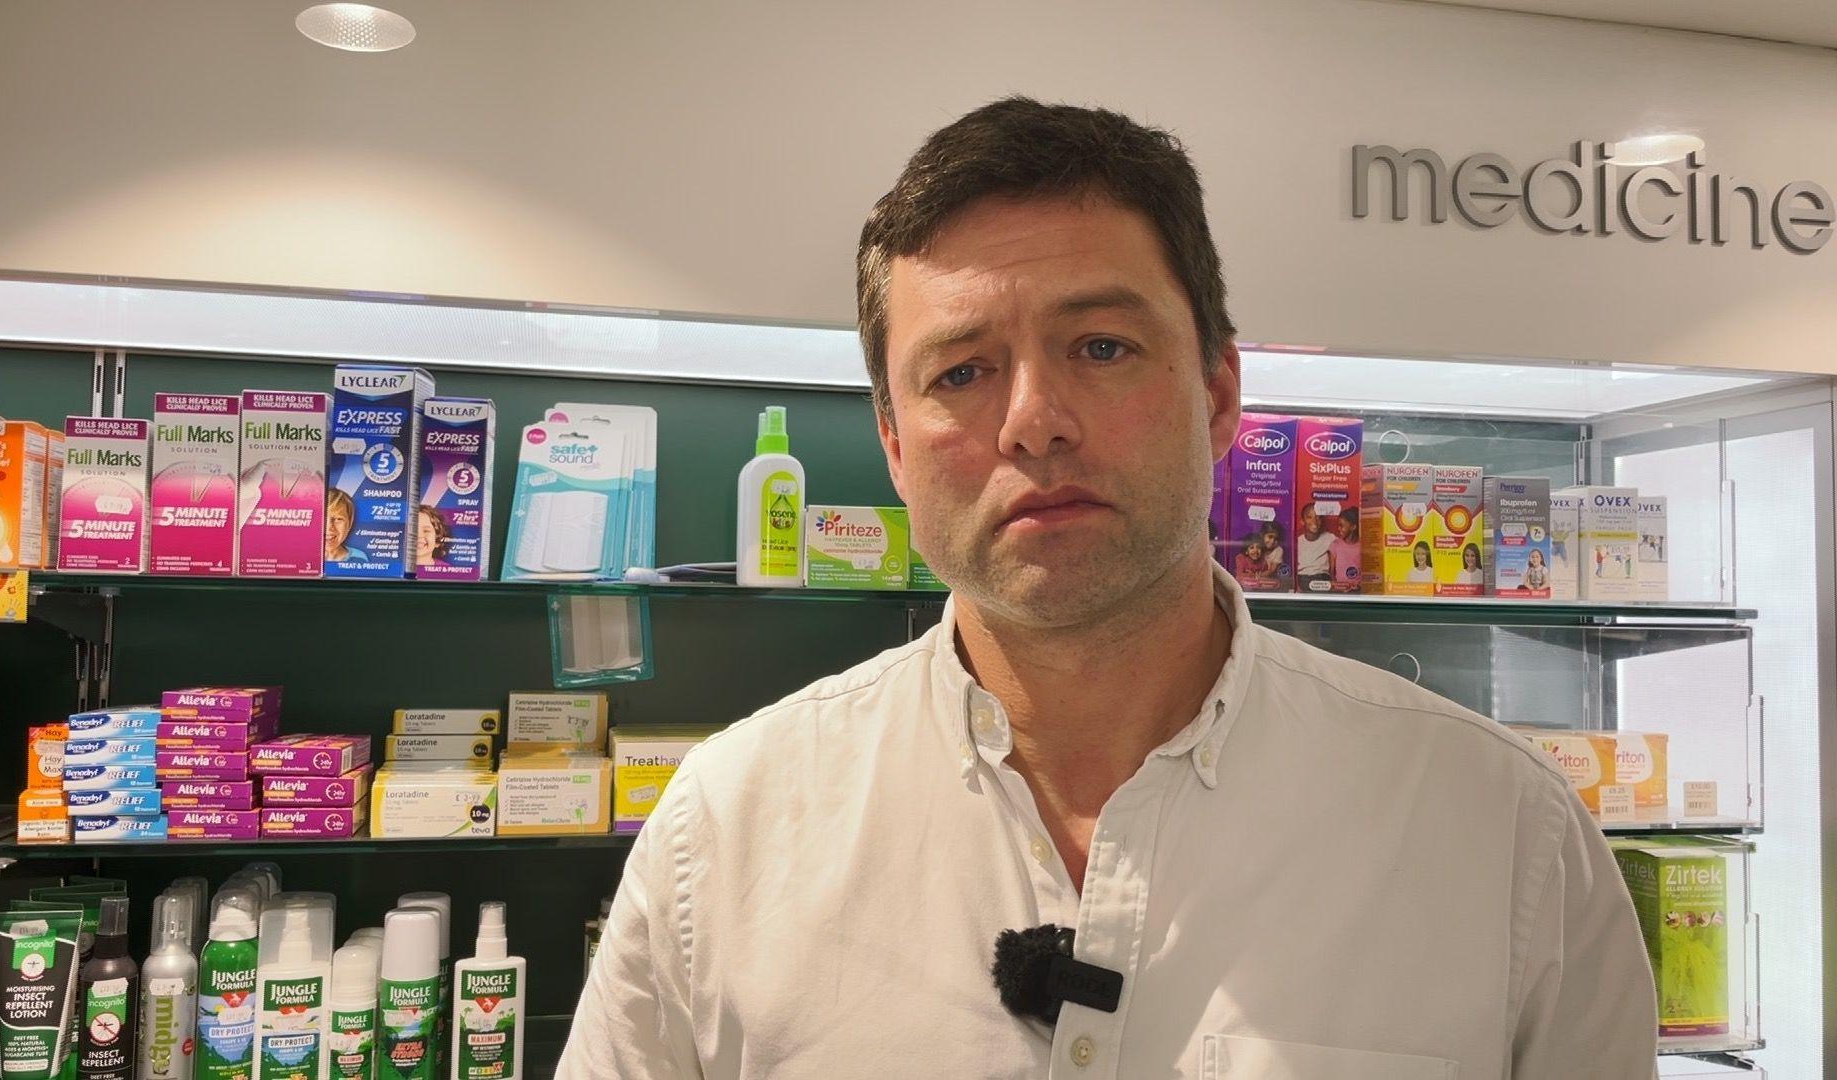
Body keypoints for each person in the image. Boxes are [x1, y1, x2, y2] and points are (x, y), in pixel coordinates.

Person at [559, 98, 1654, 1079]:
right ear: (894, 444)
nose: (1035, 420)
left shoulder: (1506, 842)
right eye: (961, 371)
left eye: (1101, 346)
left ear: (1218, 394)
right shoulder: (725, 836)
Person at [1294, 505, 1333, 592]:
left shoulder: (1329, 538)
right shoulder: (1297, 542)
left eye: (1318, 517)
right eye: (1309, 517)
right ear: (1302, 521)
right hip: (1302, 578)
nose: (1314, 521)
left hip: (1322, 579)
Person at [323, 488, 367, 563]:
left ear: (349, 524)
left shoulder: (360, 558)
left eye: (339, 519)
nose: (329, 527)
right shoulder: (304, 554)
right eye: (323, 518)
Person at [1329, 506, 1362, 591]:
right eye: (1338, 525)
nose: (1338, 528)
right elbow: (1331, 572)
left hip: (1357, 590)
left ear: (1353, 527)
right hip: (1340, 591)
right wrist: (1336, 587)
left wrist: (1358, 586)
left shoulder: (1362, 546)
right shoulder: (1335, 545)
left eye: (1341, 526)